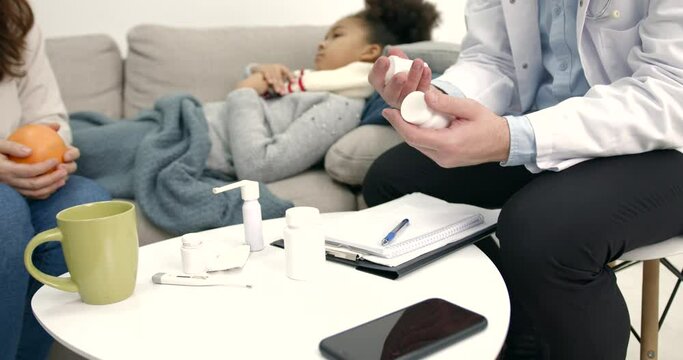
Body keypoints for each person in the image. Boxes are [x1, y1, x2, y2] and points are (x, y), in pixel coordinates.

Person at [363, 1, 683, 359]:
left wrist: (513, 137)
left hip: (666, 141)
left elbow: (671, 90)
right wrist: (437, 100)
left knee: (543, 232)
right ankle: (515, 335)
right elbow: (494, 58)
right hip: (546, 122)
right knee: (393, 181)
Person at [201, 0, 440, 183]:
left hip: (193, 139)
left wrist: (244, 92)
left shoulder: (341, 107)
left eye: (336, 35)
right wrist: (261, 72)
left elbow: (259, 166)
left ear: (370, 52)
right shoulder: (307, 82)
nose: (321, 43)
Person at [0, 1, 111, 358]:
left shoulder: (14, 17)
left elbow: (48, 115)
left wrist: (56, 151)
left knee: (86, 206)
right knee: (6, 214)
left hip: (17, 174)